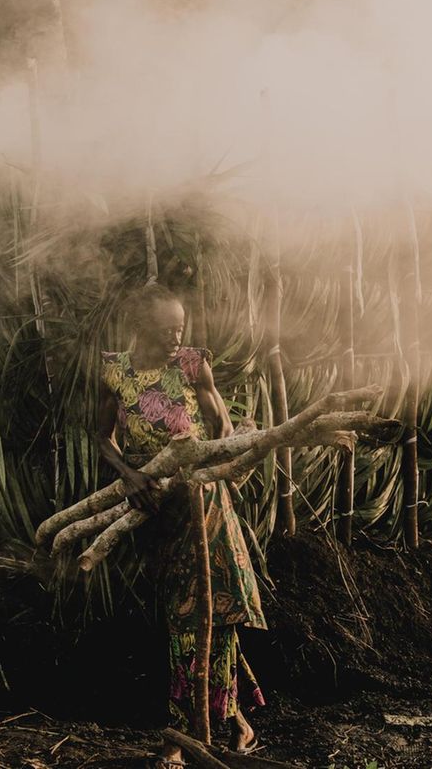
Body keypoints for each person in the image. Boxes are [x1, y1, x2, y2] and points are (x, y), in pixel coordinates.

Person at [97, 284, 265, 766]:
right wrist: (130, 476)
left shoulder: (193, 363)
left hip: (202, 507)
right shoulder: (115, 371)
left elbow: (223, 430)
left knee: (199, 618)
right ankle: (237, 721)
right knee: (195, 620)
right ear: (140, 328)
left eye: (180, 327)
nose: (176, 336)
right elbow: (101, 435)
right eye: (166, 328)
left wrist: (204, 471)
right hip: (155, 511)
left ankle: (179, 736)